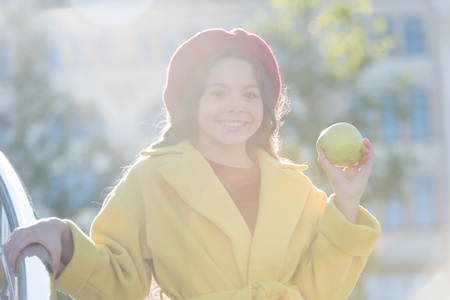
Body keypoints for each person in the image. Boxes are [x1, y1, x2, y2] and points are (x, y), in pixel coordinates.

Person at [3, 28, 380, 300]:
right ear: (191, 102)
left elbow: (320, 290)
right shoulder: (151, 180)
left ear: (264, 106)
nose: (236, 106)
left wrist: (346, 199)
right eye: (218, 92)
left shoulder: (298, 191)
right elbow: (120, 284)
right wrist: (67, 242)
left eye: (250, 94)